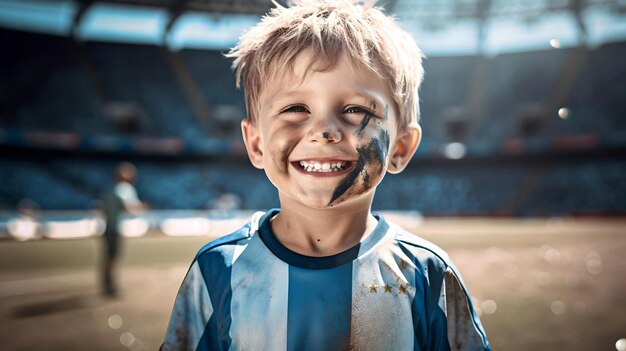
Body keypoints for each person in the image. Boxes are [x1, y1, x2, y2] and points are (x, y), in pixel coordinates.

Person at [162, 1, 491, 349]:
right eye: (295, 108)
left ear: (401, 147)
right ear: (256, 144)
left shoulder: (426, 274)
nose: (323, 130)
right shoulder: (217, 270)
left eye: (355, 110)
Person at [102, 162, 143, 297]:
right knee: (113, 257)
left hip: (108, 226)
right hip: (114, 228)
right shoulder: (125, 189)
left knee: (109, 256)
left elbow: (103, 208)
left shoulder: (112, 189)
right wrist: (142, 207)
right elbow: (130, 207)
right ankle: (110, 285)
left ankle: (107, 283)